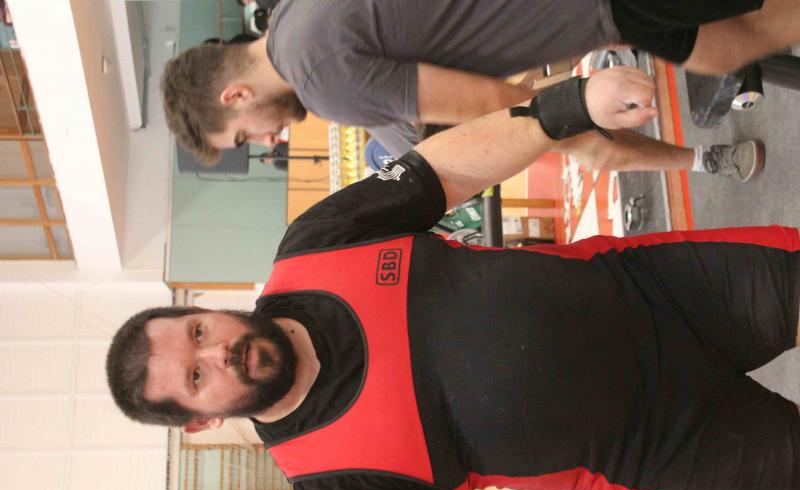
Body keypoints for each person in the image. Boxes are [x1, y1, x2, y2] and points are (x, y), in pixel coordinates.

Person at [111, 67, 800, 490]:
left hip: (666, 294)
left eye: (197, 332)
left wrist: (568, 107)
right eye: (196, 376)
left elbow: (447, 169)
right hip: (665, 446)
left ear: (202, 309)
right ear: (200, 421)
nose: (219, 351)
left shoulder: (314, 247)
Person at [158, 0, 797, 178]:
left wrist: (581, 111)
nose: (268, 139)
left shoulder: (320, 82)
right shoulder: (294, 17)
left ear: (234, 97)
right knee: (726, 44)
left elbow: (488, 105)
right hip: (592, 16)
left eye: (244, 136)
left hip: (591, 8)